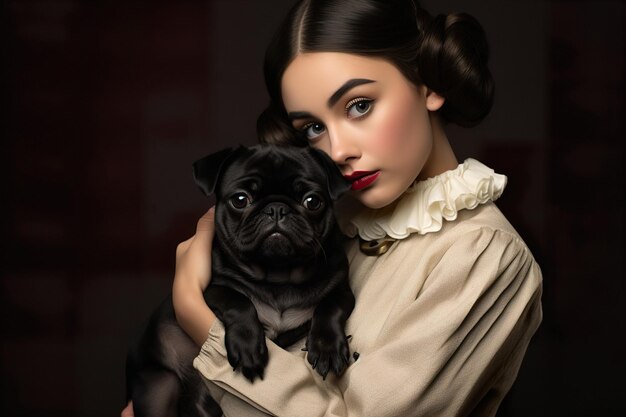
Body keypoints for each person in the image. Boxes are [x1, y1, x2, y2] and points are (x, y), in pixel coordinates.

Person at [122, 0, 543, 416]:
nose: (337, 150)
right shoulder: (331, 224)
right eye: (313, 128)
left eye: (359, 105)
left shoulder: (484, 256)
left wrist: (197, 316)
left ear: (429, 85)